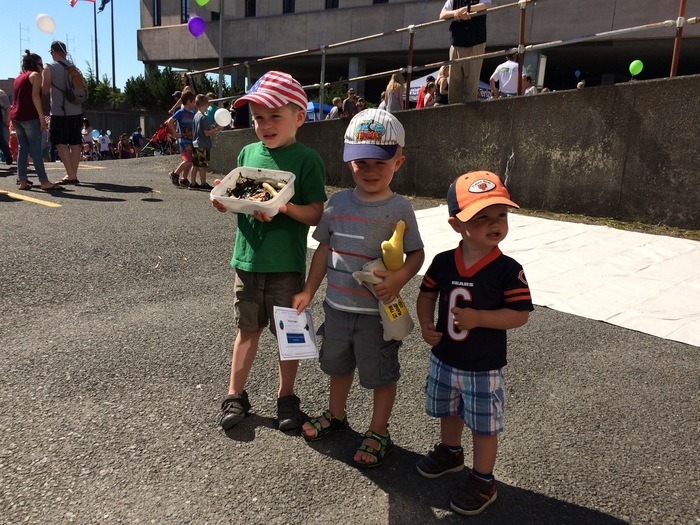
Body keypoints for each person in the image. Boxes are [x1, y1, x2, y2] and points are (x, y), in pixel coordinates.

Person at [292, 108, 425, 467]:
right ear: (347, 159)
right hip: (336, 307)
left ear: (399, 161)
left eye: (379, 163)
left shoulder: (400, 207)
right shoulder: (337, 203)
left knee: (381, 372)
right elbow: (324, 250)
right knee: (337, 366)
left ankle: (379, 430)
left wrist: (399, 279)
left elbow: (416, 253)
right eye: (359, 162)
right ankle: (337, 415)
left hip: (376, 315)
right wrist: (308, 290)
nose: (368, 171)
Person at [212, 71, 327, 432]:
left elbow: (315, 213)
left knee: (288, 335)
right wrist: (224, 200)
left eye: (275, 115)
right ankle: (235, 394)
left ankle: (286, 397)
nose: (265, 124)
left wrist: (284, 208)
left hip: (286, 265)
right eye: (258, 117)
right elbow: (241, 197)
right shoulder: (248, 152)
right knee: (247, 329)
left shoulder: (307, 160)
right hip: (246, 260)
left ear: (299, 117)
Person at [415, 170, 533, 516]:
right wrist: (425, 323)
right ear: (456, 225)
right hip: (445, 357)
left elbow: (519, 314)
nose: (494, 224)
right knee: (448, 410)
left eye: (501, 214)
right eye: (481, 217)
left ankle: (484, 479)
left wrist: (480, 318)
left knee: (484, 425)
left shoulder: (508, 270)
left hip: (484, 365)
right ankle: (451, 451)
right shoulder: (442, 261)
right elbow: (426, 295)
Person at [10, 50, 62, 191]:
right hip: (29, 116)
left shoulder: (18, 77)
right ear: (35, 64)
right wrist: (41, 117)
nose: (42, 67)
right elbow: (35, 97)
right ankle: (44, 181)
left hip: (16, 117)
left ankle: (22, 181)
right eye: (40, 64)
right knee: (36, 150)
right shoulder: (35, 75)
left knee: (23, 148)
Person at [42, 40, 85, 185]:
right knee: (75, 143)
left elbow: (44, 89)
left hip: (59, 112)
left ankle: (71, 174)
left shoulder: (49, 67)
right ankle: (73, 173)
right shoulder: (74, 68)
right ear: (64, 52)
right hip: (77, 110)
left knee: (59, 141)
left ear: (53, 52)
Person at [439, 0, 491, 104]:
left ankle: (469, 115)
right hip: (457, 43)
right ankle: (454, 111)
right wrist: (456, 13)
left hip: (476, 42)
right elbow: (442, 14)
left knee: (472, 81)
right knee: (455, 81)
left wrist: (467, 9)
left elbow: (487, 4)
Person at [190, 93, 223, 190]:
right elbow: (206, 133)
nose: (207, 108)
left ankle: (192, 183)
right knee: (202, 165)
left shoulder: (196, 116)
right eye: (207, 106)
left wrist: (211, 127)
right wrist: (217, 129)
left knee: (195, 164)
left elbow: (200, 129)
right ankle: (203, 183)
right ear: (204, 105)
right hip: (202, 144)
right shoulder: (204, 117)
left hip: (195, 143)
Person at [166, 91, 196, 187]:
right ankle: (174, 174)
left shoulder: (192, 113)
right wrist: (175, 133)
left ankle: (184, 178)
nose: (195, 103)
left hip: (191, 139)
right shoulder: (180, 112)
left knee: (190, 161)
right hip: (183, 139)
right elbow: (169, 122)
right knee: (188, 160)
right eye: (193, 101)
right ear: (188, 102)